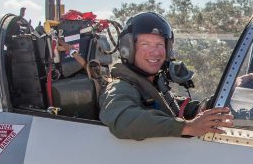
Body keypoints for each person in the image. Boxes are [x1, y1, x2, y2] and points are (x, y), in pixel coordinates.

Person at [98, 12, 234, 139]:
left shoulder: (151, 86)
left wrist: (233, 87)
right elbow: (123, 119)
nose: (155, 52)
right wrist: (188, 127)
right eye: (145, 44)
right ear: (128, 49)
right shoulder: (121, 86)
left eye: (159, 45)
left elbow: (175, 106)